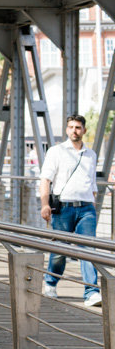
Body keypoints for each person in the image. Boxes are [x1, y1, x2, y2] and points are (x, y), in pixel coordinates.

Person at [39, 114, 101, 307]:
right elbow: (45, 180)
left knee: (88, 250)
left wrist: (93, 201)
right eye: (71, 127)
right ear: (67, 130)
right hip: (63, 208)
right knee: (60, 251)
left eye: (78, 127)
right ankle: (50, 283)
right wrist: (44, 204)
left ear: (84, 130)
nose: (75, 130)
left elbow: (92, 183)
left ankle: (91, 292)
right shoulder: (56, 152)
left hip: (86, 209)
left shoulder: (91, 154)